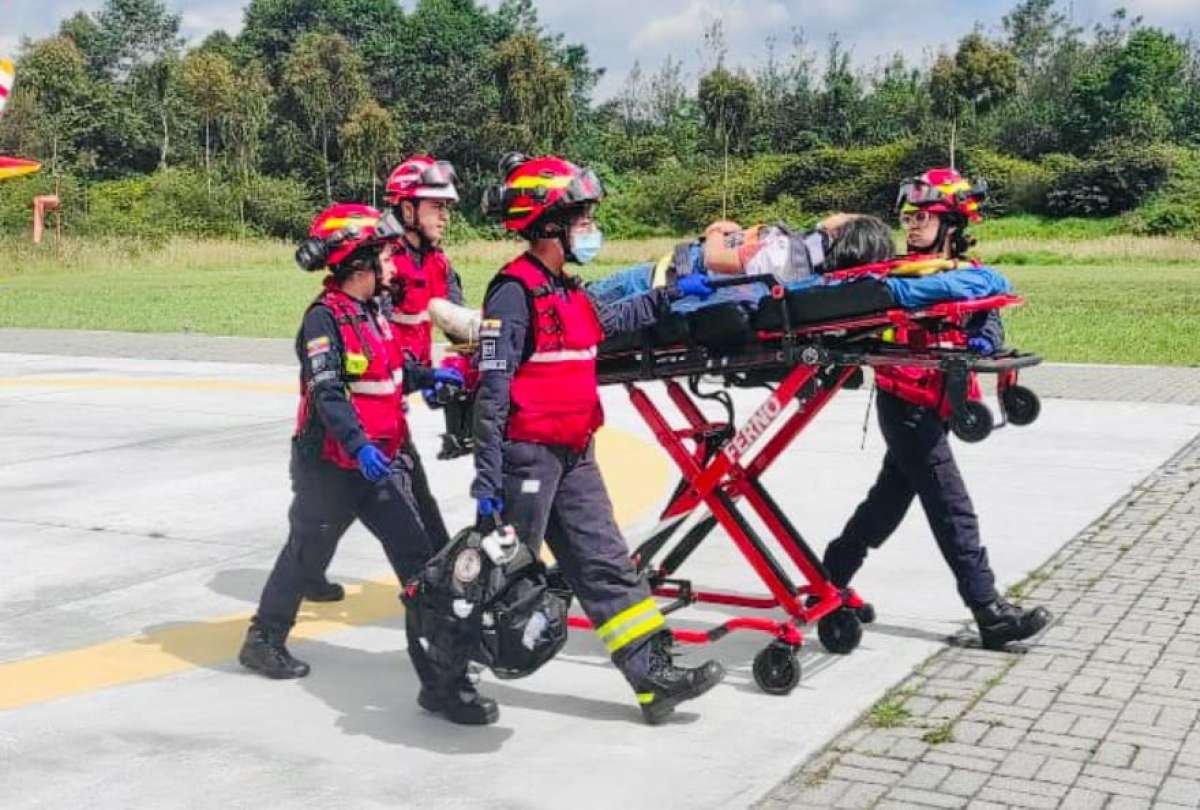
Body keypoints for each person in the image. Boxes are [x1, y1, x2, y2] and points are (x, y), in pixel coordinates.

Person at [465, 153, 724, 726]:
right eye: (581, 217)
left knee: (607, 564)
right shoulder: (513, 292)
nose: (589, 227)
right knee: (502, 574)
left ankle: (655, 679)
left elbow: (611, 320)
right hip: (527, 457)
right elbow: (493, 390)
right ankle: (447, 674)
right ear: (550, 224)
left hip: (575, 455)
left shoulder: (567, 290)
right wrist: (487, 478)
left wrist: (672, 293)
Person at [821, 168, 1052, 651]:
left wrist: (975, 343)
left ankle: (831, 574)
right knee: (952, 507)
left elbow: (989, 325)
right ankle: (989, 611)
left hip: (943, 402)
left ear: (950, 222)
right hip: (904, 403)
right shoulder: (896, 278)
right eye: (907, 217)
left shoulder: (968, 276)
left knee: (885, 506)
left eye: (922, 216)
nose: (911, 224)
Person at [238, 204, 450, 686]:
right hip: (333, 467)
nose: (395, 267)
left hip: (375, 463)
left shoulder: (372, 313)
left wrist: (429, 378)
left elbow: (391, 373)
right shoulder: (324, 320)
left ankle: (445, 650)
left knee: (415, 555)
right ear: (360, 266)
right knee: (305, 553)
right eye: (385, 258)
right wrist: (359, 447)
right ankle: (263, 640)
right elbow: (328, 393)